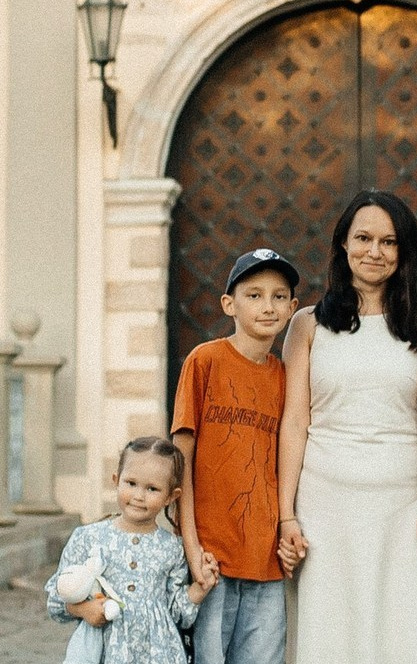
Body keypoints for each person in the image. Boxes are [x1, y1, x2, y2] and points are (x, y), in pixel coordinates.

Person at [276, 190, 417, 664]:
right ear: (342, 245)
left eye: (388, 241)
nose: (374, 251)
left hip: (405, 503)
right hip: (324, 503)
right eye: (363, 238)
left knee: (404, 629)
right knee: (329, 629)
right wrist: (285, 514)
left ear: (404, 252)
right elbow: (294, 422)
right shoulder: (306, 325)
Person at [171, 247, 299, 664]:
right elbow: (181, 462)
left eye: (279, 297)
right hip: (212, 558)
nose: (268, 306)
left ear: (293, 307)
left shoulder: (285, 377)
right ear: (230, 304)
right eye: (254, 295)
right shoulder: (205, 361)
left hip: (266, 562)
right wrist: (192, 547)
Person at [46, 436, 217, 664]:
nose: (139, 496)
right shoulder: (88, 538)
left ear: (171, 496)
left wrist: (199, 588)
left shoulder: (172, 548)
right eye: (131, 483)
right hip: (105, 652)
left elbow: (179, 614)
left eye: (152, 489)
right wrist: (84, 609)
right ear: (116, 480)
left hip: (159, 654)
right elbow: (56, 601)